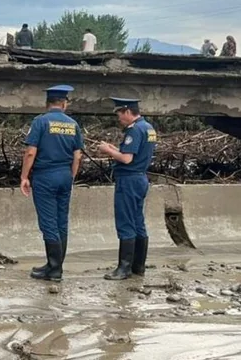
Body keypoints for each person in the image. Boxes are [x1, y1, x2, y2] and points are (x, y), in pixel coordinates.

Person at [20, 85, 84, 282]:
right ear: (64, 103)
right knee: (61, 222)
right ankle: (54, 265)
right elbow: (78, 155)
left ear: (47, 103)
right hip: (65, 175)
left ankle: (55, 270)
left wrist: (24, 177)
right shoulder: (73, 124)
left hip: (45, 176)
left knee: (48, 222)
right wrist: (70, 176)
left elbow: (31, 152)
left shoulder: (40, 122)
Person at [97, 98, 157, 280]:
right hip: (141, 178)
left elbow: (127, 159)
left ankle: (124, 268)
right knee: (138, 222)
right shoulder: (148, 127)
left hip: (129, 180)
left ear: (128, 111)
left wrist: (107, 151)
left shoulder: (134, 130)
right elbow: (132, 153)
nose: (119, 119)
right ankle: (138, 266)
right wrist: (114, 148)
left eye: (120, 114)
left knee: (125, 222)